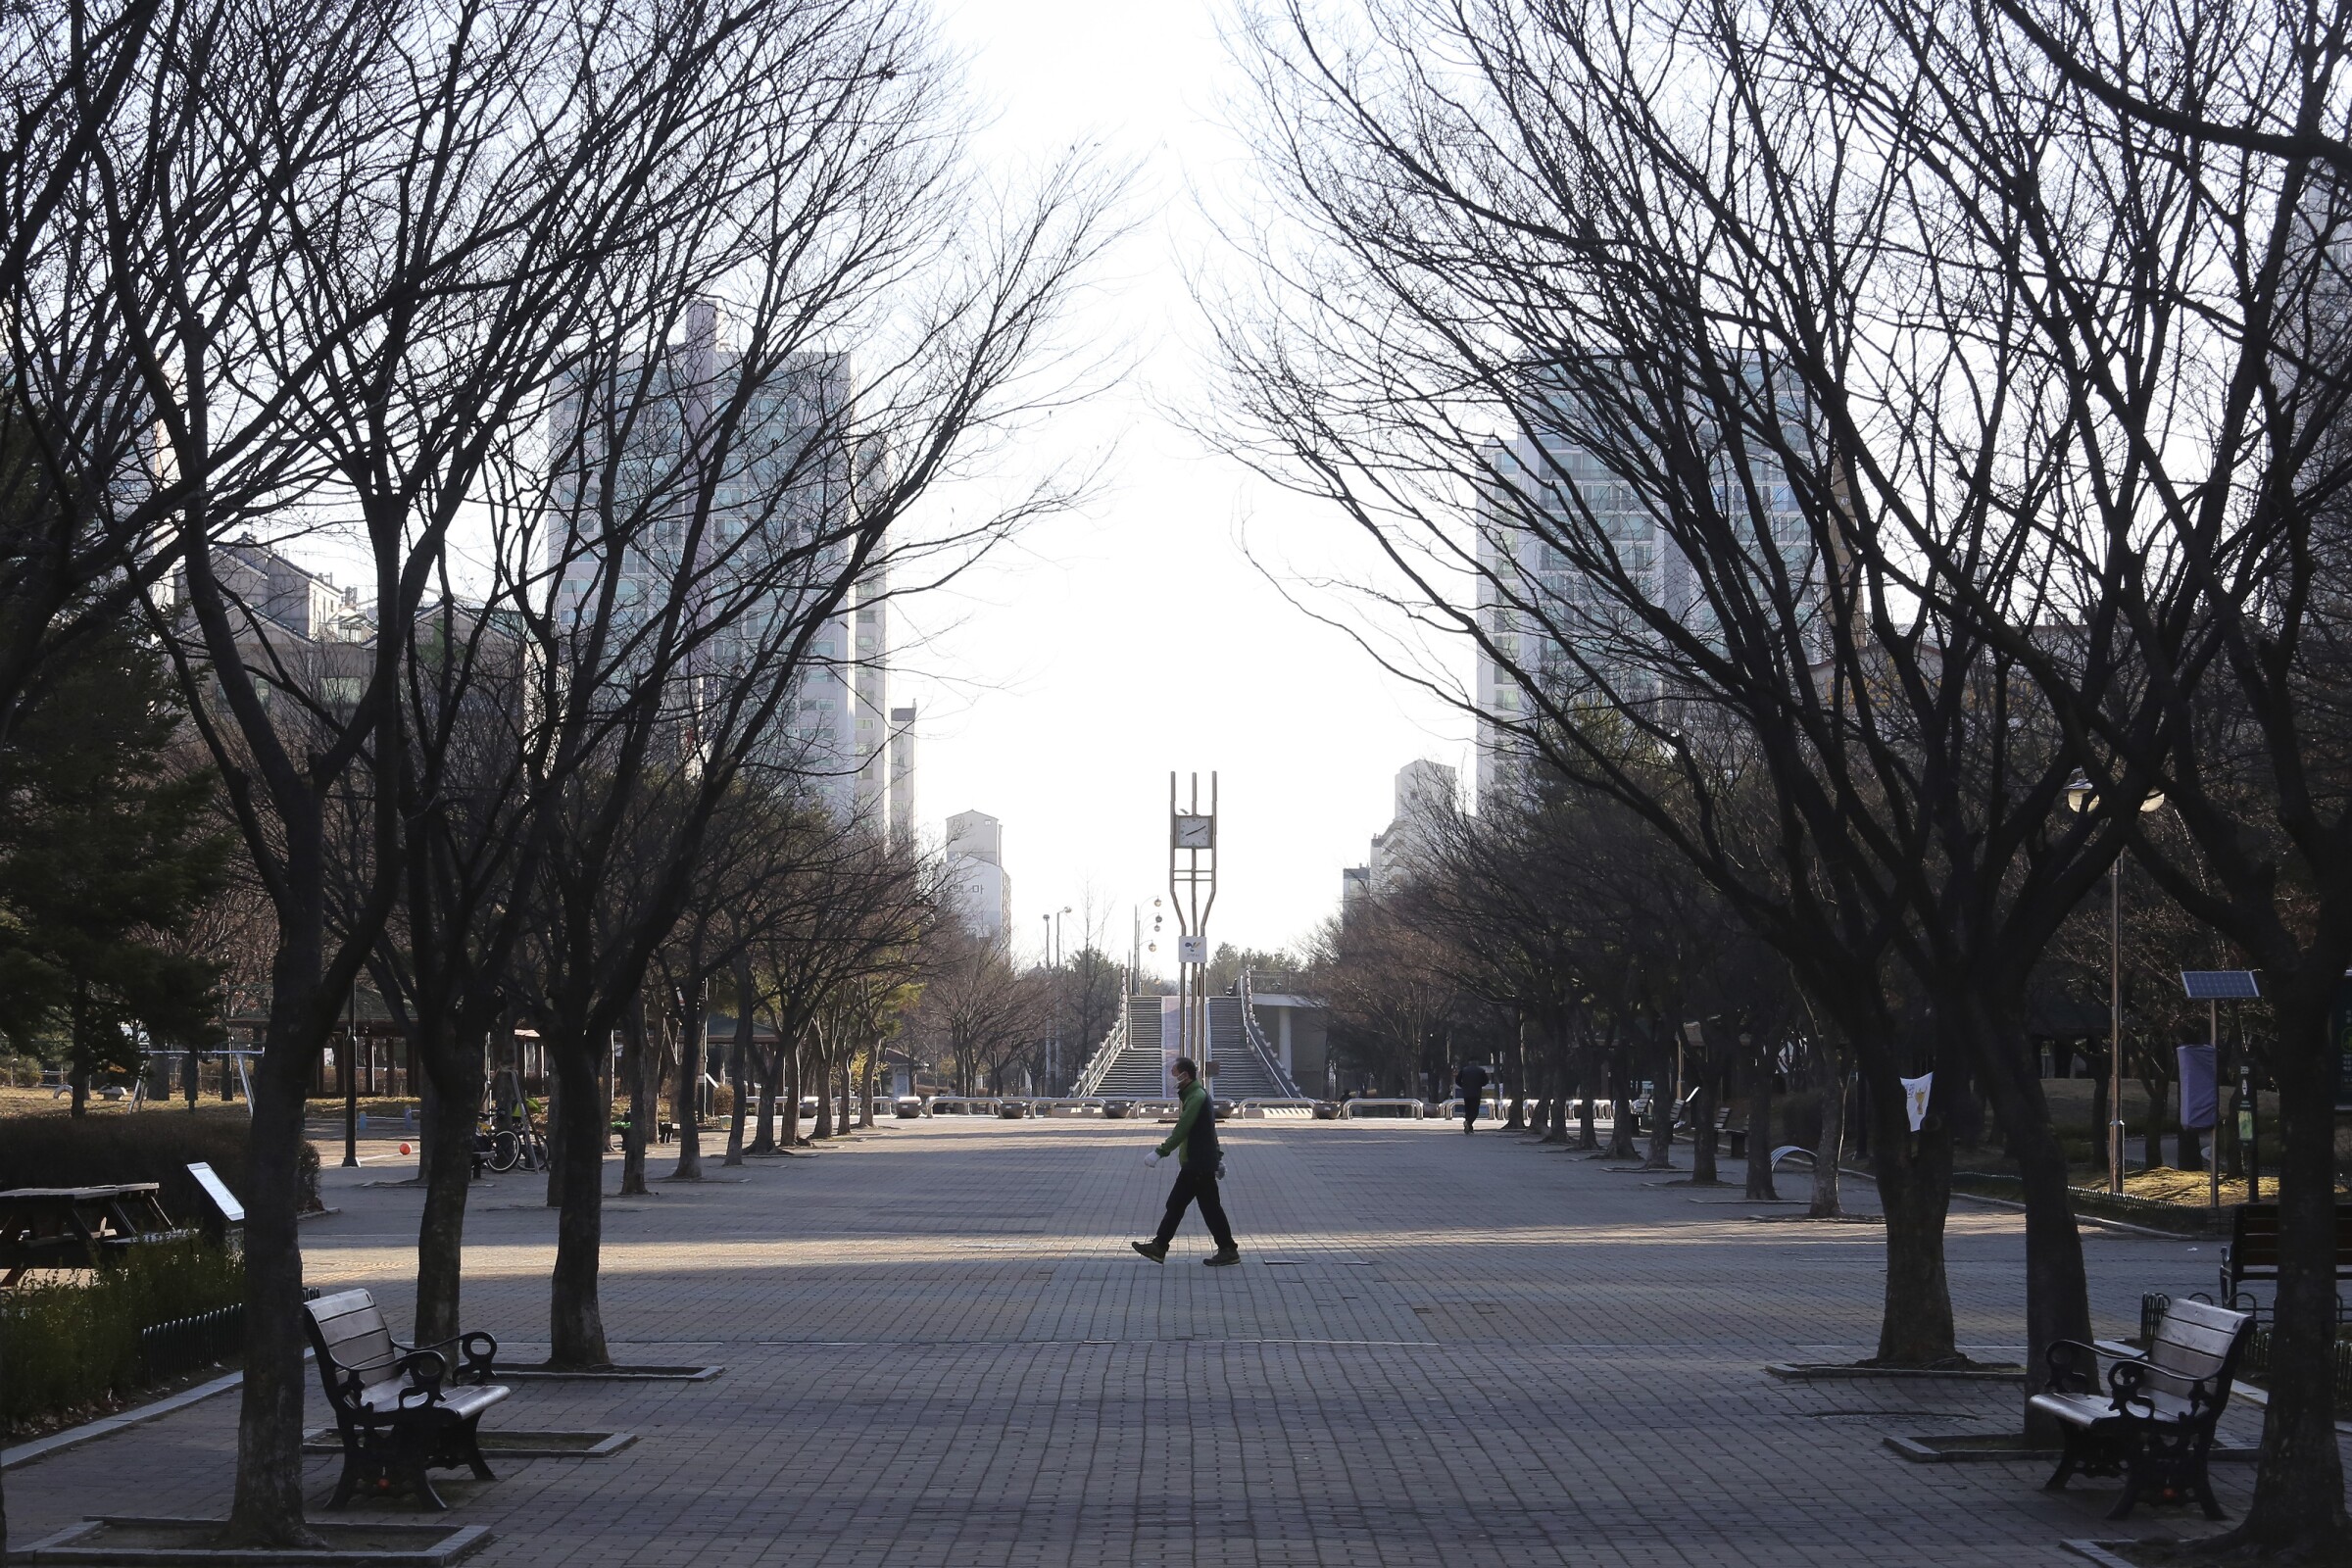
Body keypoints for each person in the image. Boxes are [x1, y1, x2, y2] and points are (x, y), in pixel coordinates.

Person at [1131, 1056, 1239, 1266]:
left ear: (1185, 1075)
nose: (1173, 1078)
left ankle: (1160, 1246)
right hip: (1200, 1162)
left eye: (1174, 1073)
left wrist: (1160, 1152)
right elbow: (1210, 1130)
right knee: (1204, 1207)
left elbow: (1183, 1129)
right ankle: (1226, 1248)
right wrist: (1217, 1159)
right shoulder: (1196, 1095)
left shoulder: (1197, 1097)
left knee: (1180, 1204)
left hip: (1197, 1163)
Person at [1455, 1062, 1491, 1134]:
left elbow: (1457, 1080)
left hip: (1466, 1093)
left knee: (1468, 1110)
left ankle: (1469, 1127)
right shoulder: (1480, 1070)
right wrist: (1479, 1084)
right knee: (1475, 1111)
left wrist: (1463, 1086)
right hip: (1476, 1093)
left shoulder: (1464, 1070)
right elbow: (1486, 1081)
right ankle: (1469, 1123)